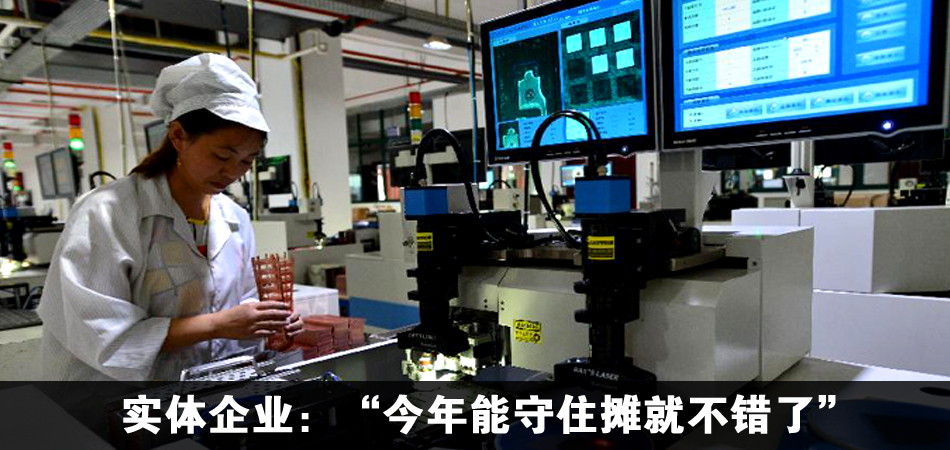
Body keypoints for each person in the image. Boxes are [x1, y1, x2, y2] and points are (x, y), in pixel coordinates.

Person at [37, 53, 303, 381]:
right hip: (114, 398)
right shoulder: (107, 213)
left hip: (199, 389)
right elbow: (101, 333)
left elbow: (243, 298)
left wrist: (266, 319)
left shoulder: (235, 217)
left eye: (247, 161)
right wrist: (218, 325)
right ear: (178, 136)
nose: (233, 172)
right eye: (222, 156)